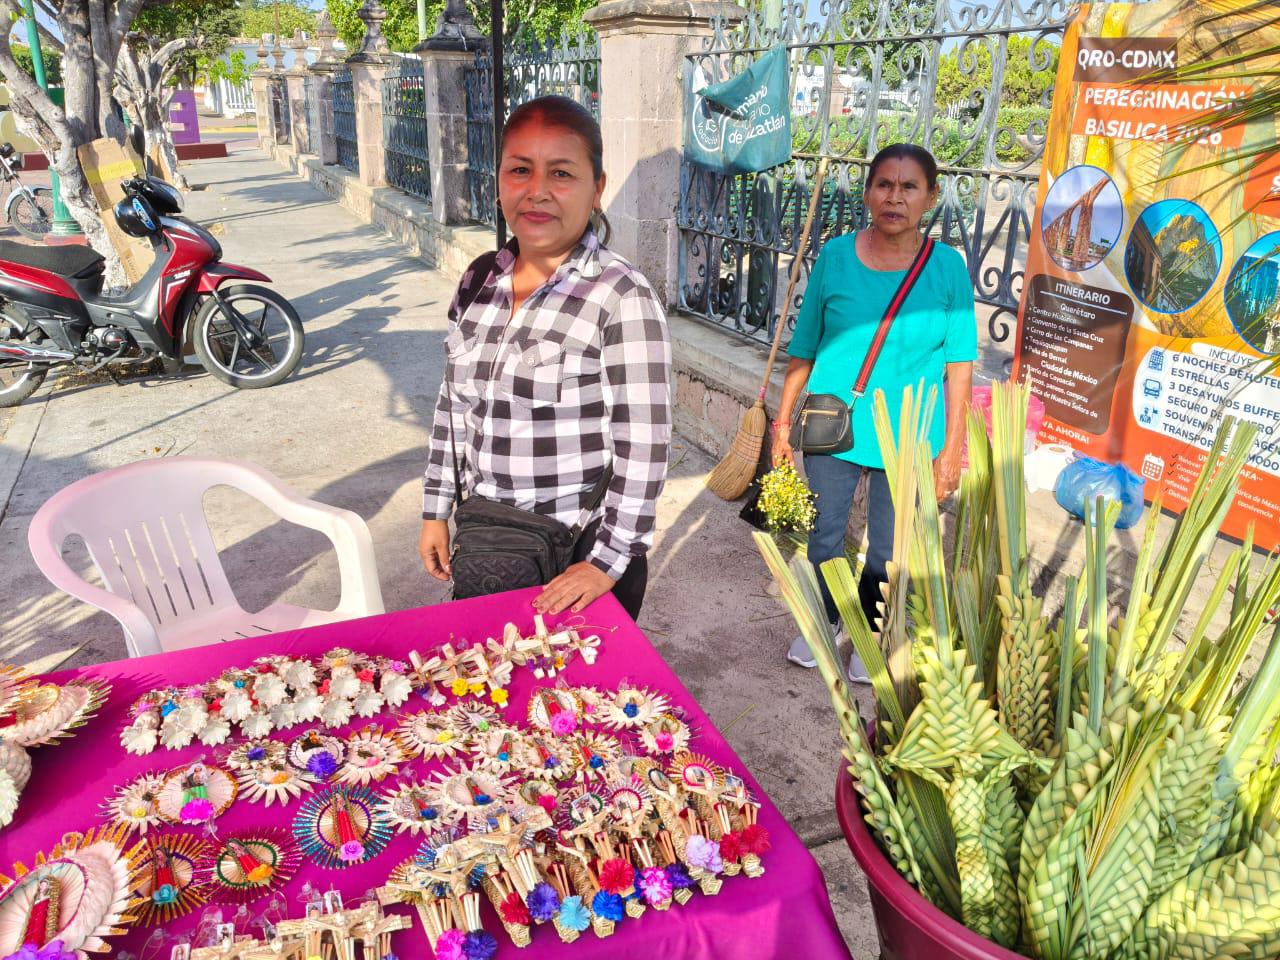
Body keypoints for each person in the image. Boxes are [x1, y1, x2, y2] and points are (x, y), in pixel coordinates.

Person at [419, 96, 672, 621]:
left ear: (596, 188)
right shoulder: (479, 281)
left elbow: (644, 445)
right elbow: (452, 406)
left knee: (577, 701)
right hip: (489, 545)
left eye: (561, 173)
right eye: (519, 170)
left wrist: (607, 562)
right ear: (498, 181)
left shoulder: (621, 296)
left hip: (575, 558)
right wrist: (436, 510)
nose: (537, 192)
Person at [773, 144, 976, 680]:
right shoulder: (836, 257)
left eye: (910, 187)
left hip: (909, 432)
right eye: (884, 184)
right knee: (823, 533)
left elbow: (960, 366)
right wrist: (780, 422)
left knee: (887, 545)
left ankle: (868, 631)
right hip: (833, 421)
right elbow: (806, 344)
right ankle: (823, 621)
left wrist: (952, 448)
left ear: (930, 198)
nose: (895, 197)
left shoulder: (948, 269)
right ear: (867, 193)